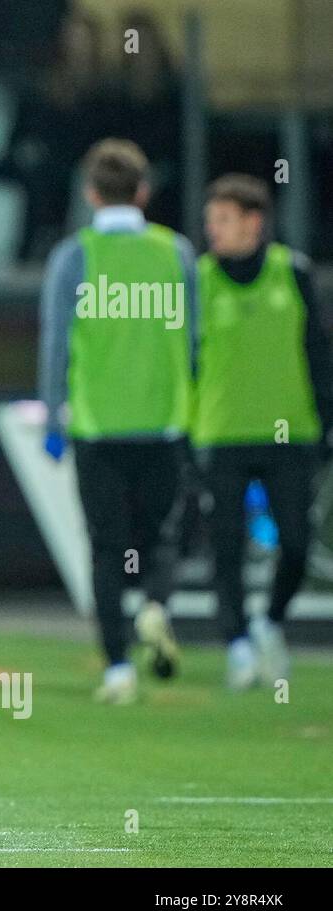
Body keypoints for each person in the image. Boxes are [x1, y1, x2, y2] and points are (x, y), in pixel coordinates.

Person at [38, 138, 196, 704]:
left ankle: (118, 669)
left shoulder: (74, 257)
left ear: (90, 193)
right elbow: (195, 339)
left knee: (106, 548)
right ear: (145, 191)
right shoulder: (176, 253)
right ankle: (155, 604)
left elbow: (57, 345)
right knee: (162, 537)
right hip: (165, 422)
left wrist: (54, 417)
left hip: (99, 427)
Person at [194, 174, 332, 690]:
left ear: (255, 222)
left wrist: (326, 420)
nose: (214, 230)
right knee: (225, 548)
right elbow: (186, 358)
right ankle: (236, 644)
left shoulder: (291, 273)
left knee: (296, 543)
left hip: (289, 433)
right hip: (220, 433)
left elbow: (317, 352)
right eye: (211, 220)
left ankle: (269, 622)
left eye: (223, 219)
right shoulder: (200, 280)